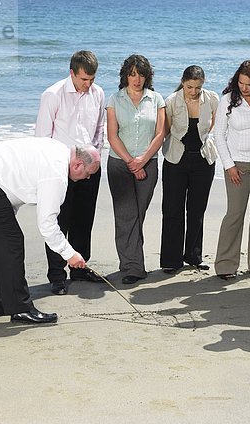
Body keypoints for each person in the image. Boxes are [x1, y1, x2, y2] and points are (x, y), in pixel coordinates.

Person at [0, 137, 101, 324]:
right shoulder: (57, 173)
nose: (87, 178)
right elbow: (47, 224)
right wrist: (69, 254)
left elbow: (13, 185)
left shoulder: (58, 149)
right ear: (78, 164)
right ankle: (20, 308)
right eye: (88, 173)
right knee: (11, 243)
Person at [35, 50, 106, 295]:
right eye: (84, 79)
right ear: (72, 73)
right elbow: (42, 138)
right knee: (59, 220)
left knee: (84, 219)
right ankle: (56, 275)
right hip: (61, 169)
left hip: (90, 167)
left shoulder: (98, 93)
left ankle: (79, 267)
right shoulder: (52, 95)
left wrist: (95, 160)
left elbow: (98, 130)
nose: (88, 85)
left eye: (92, 79)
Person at [106, 54, 166, 285]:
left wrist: (143, 160)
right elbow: (112, 135)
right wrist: (132, 161)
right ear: (126, 75)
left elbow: (160, 133)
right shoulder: (114, 99)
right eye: (132, 74)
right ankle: (132, 267)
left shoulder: (156, 99)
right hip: (119, 164)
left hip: (148, 163)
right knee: (125, 216)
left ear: (147, 76)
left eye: (141, 74)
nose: (136, 79)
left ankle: (131, 262)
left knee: (137, 215)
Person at [214, 60, 250, 280]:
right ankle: (225, 265)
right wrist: (229, 166)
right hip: (237, 166)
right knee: (235, 214)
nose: (244, 87)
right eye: (241, 82)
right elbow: (219, 135)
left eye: (249, 84)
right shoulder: (228, 100)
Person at [160, 65, 220, 274]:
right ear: (183, 83)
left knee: (197, 210)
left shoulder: (212, 99)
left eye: (197, 87)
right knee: (172, 210)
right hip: (176, 159)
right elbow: (165, 132)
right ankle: (171, 260)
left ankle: (194, 256)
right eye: (189, 87)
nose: (193, 91)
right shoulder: (171, 101)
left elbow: (214, 126)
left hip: (203, 160)